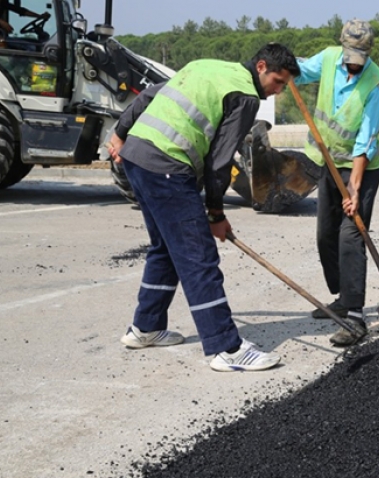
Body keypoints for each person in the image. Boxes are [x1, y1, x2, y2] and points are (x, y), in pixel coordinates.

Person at [106, 43, 301, 371]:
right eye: (278, 82)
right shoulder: (246, 97)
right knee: (199, 257)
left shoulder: (205, 66)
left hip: (137, 158)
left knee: (165, 249)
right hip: (166, 166)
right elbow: (220, 162)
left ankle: (146, 327)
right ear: (261, 66)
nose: (278, 91)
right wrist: (215, 213)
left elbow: (148, 96)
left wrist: (121, 133)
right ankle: (225, 347)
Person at [295, 18, 379, 347]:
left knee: (351, 235)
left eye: (359, 60)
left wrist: (354, 189)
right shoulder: (327, 58)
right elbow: (299, 71)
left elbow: (365, 141)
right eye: (349, 58)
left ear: (368, 54)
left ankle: (354, 317)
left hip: (360, 168)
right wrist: (279, 60)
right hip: (328, 162)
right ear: (342, 48)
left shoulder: (378, 85)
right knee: (325, 235)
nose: (353, 66)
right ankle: (341, 295)